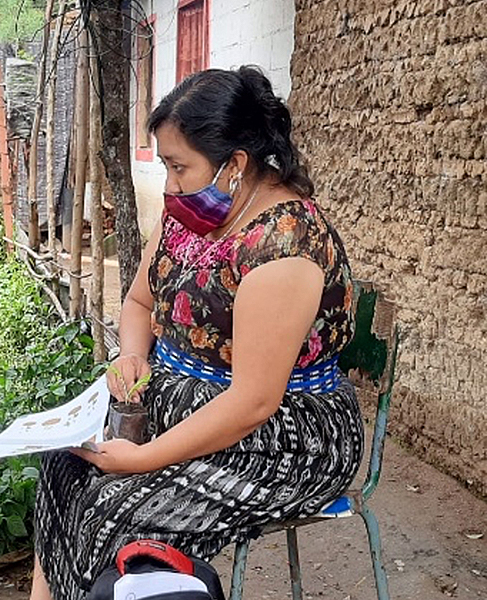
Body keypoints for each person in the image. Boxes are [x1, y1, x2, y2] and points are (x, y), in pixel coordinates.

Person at [30, 66, 365, 600]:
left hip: (282, 439)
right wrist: (132, 358)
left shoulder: (285, 247)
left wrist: (142, 459)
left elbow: (253, 401)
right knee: (62, 468)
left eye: (179, 167)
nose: (170, 185)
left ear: (234, 165)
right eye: (165, 165)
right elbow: (139, 303)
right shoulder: (193, 217)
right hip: (187, 404)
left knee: (109, 512)